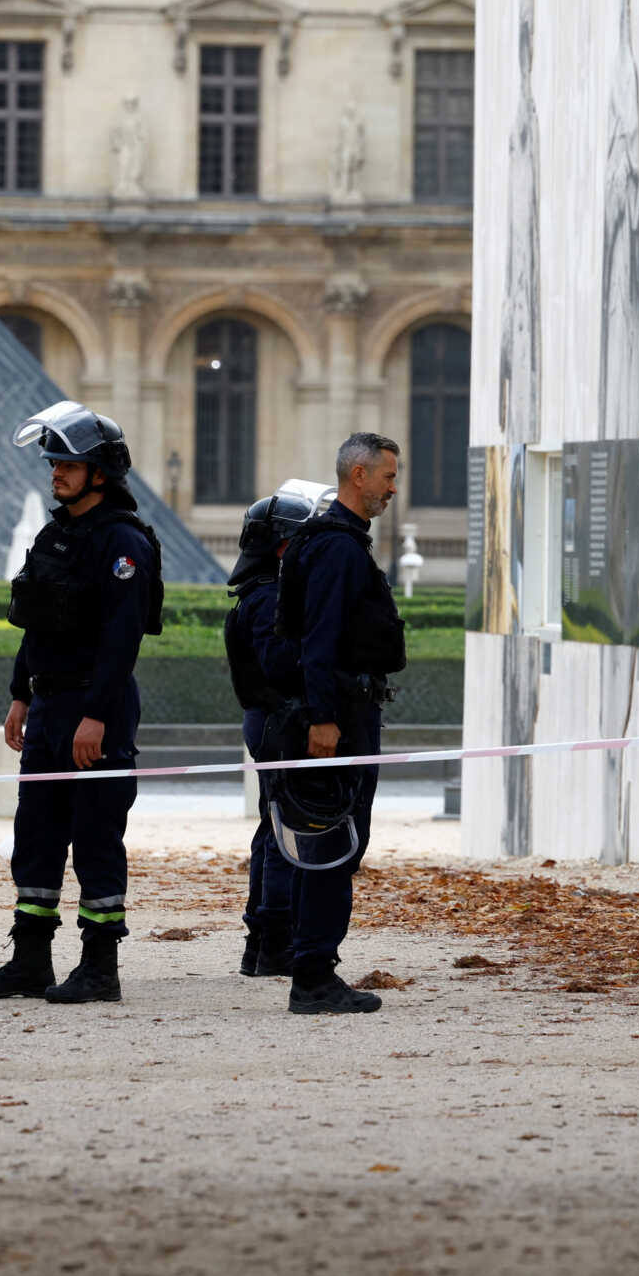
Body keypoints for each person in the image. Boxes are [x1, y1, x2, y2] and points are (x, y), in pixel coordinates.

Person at [0, 402, 163, 1006]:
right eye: (53, 462)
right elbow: (37, 625)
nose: (55, 472)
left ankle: (100, 968)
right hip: (49, 706)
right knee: (38, 834)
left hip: (93, 707)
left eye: (67, 463)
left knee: (97, 836)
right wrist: (20, 695)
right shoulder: (58, 533)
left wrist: (96, 714)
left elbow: (121, 638)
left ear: (100, 471)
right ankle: (30, 961)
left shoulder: (124, 542)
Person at [271, 432, 408, 1016]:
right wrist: (325, 720)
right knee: (333, 843)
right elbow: (321, 638)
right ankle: (314, 974)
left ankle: (311, 965)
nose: (392, 489)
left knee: (327, 841)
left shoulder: (333, 541)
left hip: (342, 709)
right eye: (387, 477)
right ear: (358, 475)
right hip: (341, 716)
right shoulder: (336, 548)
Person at [223, 479, 332, 978]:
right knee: (288, 834)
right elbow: (278, 663)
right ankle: (274, 941)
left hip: (269, 721)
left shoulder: (262, 591)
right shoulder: (268, 597)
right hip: (278, 722)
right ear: (282, 544)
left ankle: (263, 942)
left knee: (274, 830)